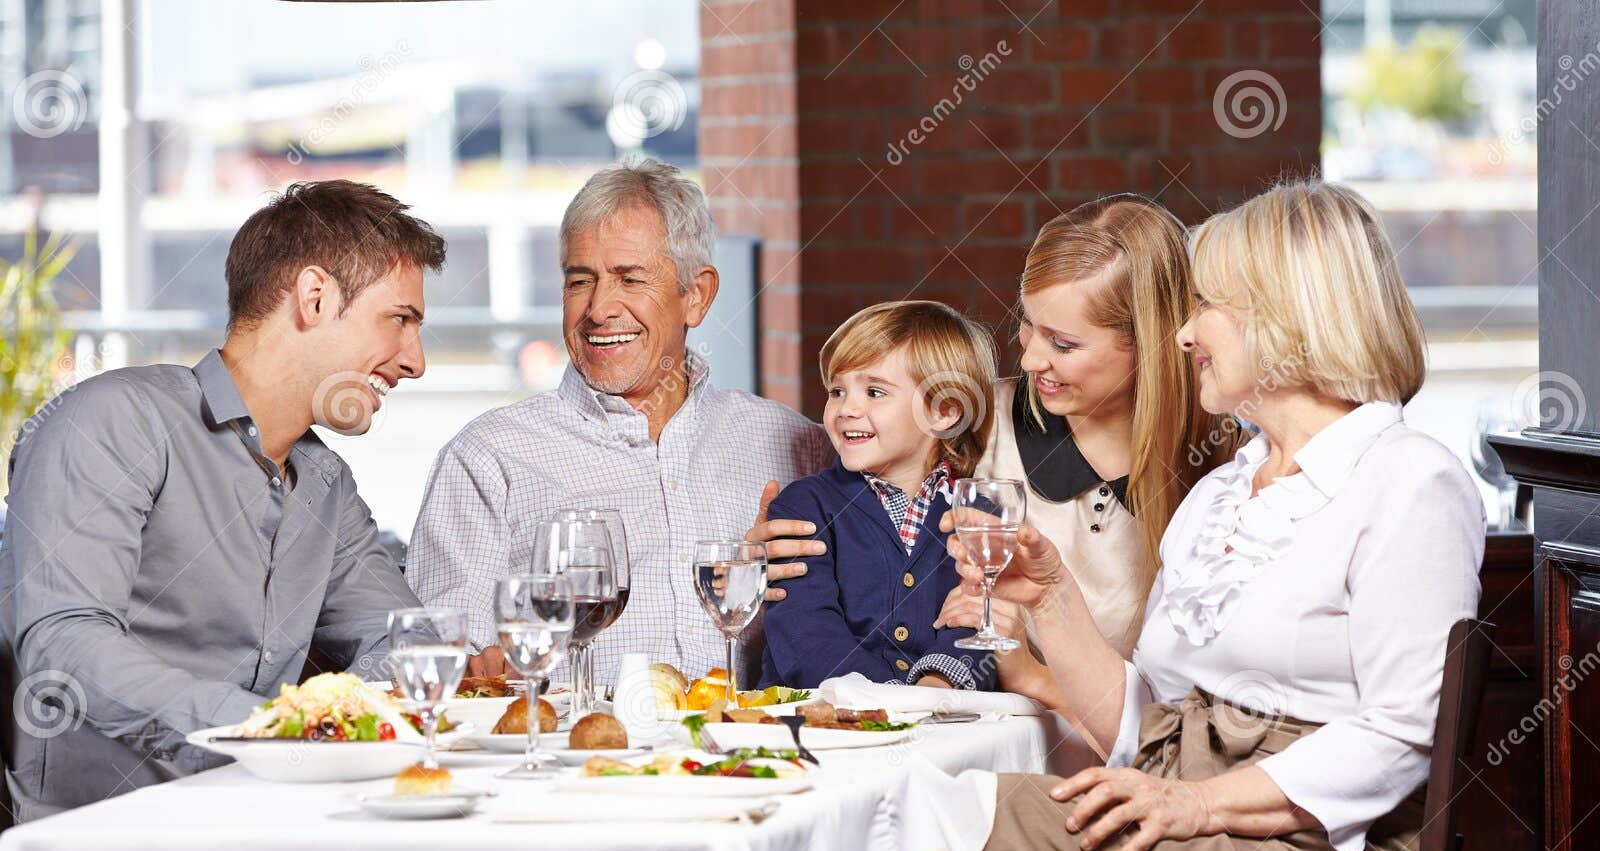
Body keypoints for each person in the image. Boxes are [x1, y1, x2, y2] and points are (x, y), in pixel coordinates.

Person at [959, 181, 1486, 851]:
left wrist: (1194, 803)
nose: (1184, 332)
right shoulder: (1220, 493)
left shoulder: (1409, 479)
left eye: (1207, 306)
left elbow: (1405, 729)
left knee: (994, 825)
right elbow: (1143, 725)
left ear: (1286, 318)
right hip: (1196, 833)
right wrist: (1048, 594)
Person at [0, 180, 443, 822]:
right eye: (399, 320)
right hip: (97, 843)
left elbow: (405, 641)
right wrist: (269, 731)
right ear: (315, 297)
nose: (416, 361)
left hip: (262, 824)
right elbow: (64, 643)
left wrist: (330, 725)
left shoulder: (326, 484)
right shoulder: (114, 420)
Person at [750, 197, 1231, 711]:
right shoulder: (982, 423)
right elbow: (872, 503)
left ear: (1151, 342)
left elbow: (1198, 717)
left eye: (1063, 344)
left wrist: (1024, 676)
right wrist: (781, 544)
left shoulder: (1228, 465)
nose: (1028, 358)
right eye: (1027, 324)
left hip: (1134, 757)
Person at [408, 158, 830, 686]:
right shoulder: (488, 457)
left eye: (630, 279)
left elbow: (873, 622)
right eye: (580, 281)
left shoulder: (799, 445)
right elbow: (440, 662)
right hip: (577, 761)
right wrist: (486, 669)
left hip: (752, 759)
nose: (599, 308)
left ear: (696, 296)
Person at [759, 301, 999, 691]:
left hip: (940, 718)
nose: (847, 409)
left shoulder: (977, 516)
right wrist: (887, 700)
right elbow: (804, 629)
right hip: (822, 724)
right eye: (837, 391)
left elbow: (980, 622)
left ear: (944, 412)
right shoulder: (803, 506)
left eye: (874, 392)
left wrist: (936, 685)